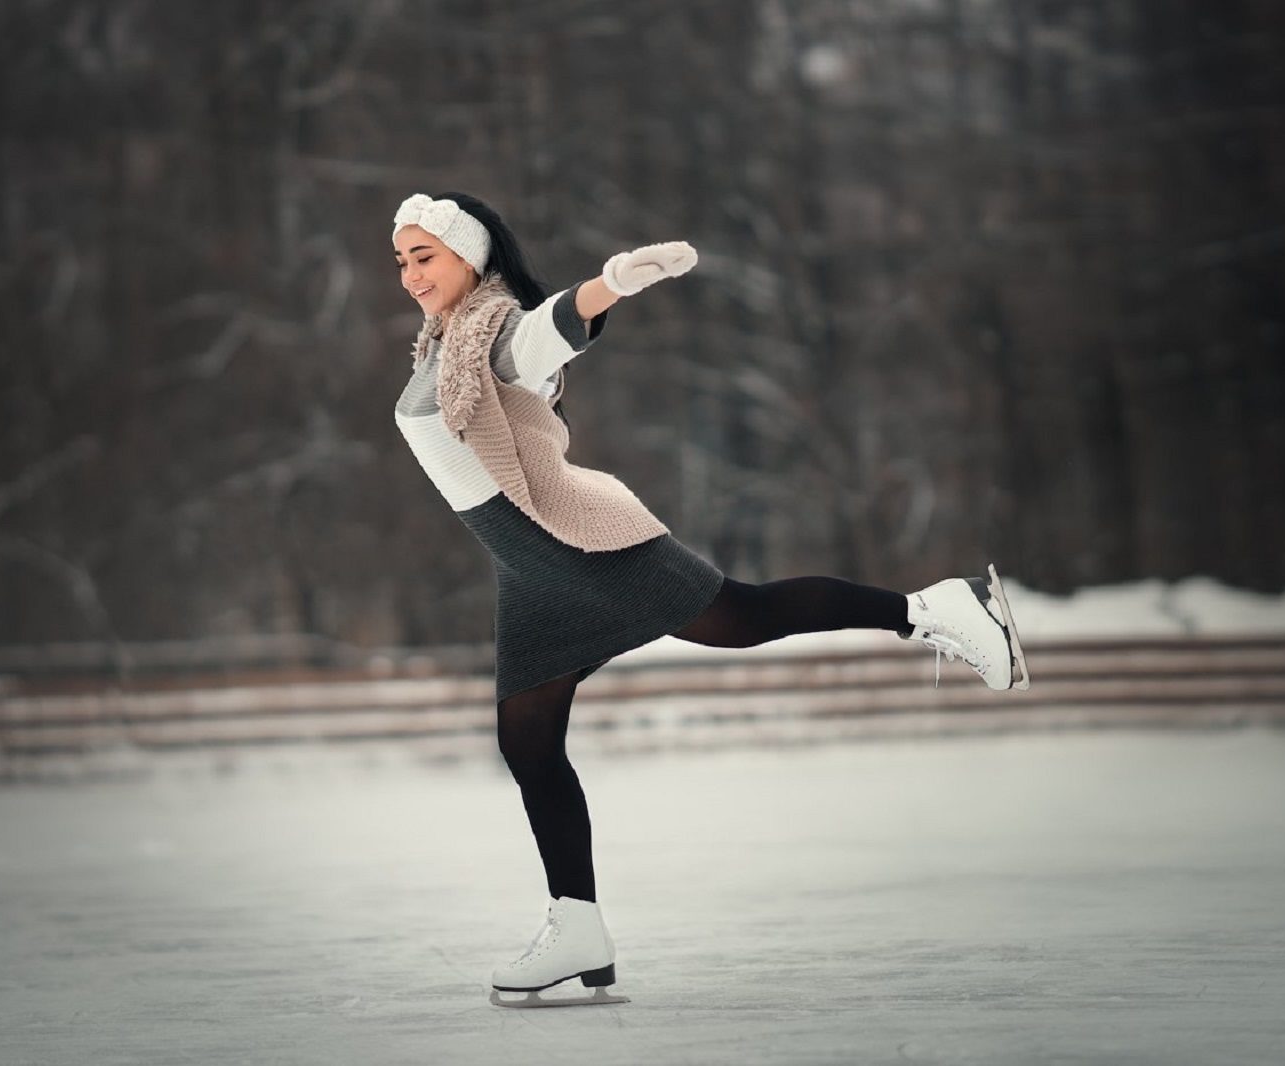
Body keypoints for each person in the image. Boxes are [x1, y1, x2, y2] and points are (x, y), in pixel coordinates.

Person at [389, 192, 1031, 1008]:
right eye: (402, 261)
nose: (411, 275)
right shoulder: (441, 347)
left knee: (743, 617)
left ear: (471, 257)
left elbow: (549, 329)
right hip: (528, 570)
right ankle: (578, 927)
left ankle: (937, 609)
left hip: (580, 544)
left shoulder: (494, 331)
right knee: (529, 744)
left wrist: (612, 285)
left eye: (425, 256)